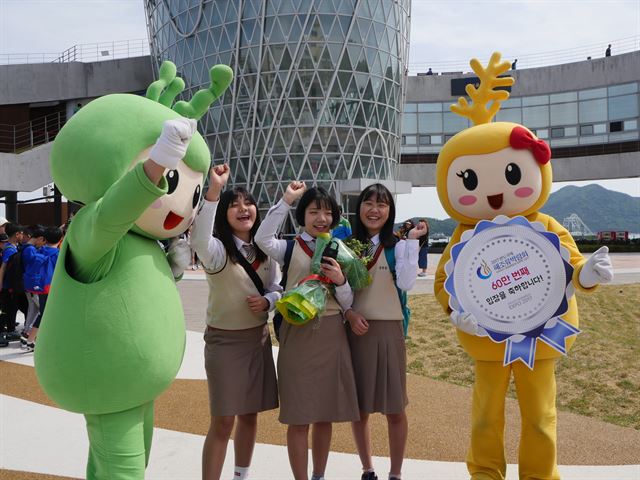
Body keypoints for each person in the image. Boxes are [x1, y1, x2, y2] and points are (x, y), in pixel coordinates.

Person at [434, 52, 613, 480]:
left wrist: (585, 274)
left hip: (542, 333)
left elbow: (569, 263)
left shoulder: (545, 225)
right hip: (488, 338)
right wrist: (456, 310)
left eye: (511, 173)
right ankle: (485, 474)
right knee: (484, 417)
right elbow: (445, 279)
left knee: (540, 416)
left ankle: (540, 475)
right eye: (471, 181)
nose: (494, 194)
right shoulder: (464, 236)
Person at [255, 182, 359, 480]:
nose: (321, 218)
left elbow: (347, 301)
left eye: (327, 213)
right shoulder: (288, 247)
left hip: (330, 333)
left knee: (325, 415)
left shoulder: (340, 250)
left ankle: (319, 475)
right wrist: (287, 199)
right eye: (314, 211)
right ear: (303, 216)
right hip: (297, 334)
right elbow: (263, 238)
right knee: (299, 418)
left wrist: (340, 280)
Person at [190, 163, 281, 480]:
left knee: (249, 415)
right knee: (223, 420)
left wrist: (269, 300)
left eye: (248, 203)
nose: (244, 209)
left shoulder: (267, 249)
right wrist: (214, 191)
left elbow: (277, 288)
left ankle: (241, 475)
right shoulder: (216, 252)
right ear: (224, 214)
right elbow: (199, 237)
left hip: (257, 340)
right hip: (224, 343)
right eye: (235, 205)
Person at [343, 183, 424, 480]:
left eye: (382, 204)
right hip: (357, 331)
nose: (374, 210)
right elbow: (341, 292)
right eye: (368, 203)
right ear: (359, 207)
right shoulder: (348, 246)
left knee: (395, 409)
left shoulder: (398, 246)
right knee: (359, 408)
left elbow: (406, 284)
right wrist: (349, 315)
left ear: (390, 211)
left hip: (390, 331)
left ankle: (396, 473)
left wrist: (413, 242)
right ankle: (367, 469)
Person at [22, 226, 63, 352]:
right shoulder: (58, 254)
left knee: (45, 313)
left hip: (41, 287)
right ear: (61, 239)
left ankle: (32, 338)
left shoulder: (39, 251)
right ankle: (29, 339)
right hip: (52, 288)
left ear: (44, 239)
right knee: (46, 314)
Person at [20, 224, 47, 343]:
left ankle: (27, 331)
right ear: (40, 238)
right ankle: (30, 333)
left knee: (33, 310)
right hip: (33, 284)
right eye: (44, 241)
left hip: (28, 284)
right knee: (41, 310)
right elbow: (34, 264)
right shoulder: (30, 249)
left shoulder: (26, 247)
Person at [0, 223, 25, 341]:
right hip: (8, 286)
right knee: (10, 308)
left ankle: (10, 328)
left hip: (10, 285)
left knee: (13, 307)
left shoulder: (13, 247)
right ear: (17, 234)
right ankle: (10, 330)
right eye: (21, 233)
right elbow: (3, 268)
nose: (23, 235)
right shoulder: (10, 249)